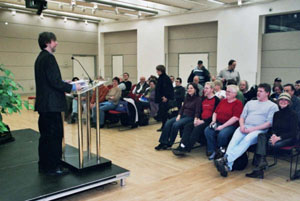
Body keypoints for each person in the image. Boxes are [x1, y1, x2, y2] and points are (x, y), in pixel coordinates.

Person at [34, 32, 80, 175]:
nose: (57, 43)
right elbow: (53, 82)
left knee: (45, 136)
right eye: (55, 41)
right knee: (54, 137)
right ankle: (53, 167)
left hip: (44, 105)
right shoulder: (49, 58)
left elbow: (50, 81)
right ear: (48, 42)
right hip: (51, 105)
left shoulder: (40, 58)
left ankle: (45, 164)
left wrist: (62, 83)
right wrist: (72, 87)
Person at [215, 83, 278, 177]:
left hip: (259, 130)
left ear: (267, 93)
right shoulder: (250, 103)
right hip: (245, 127)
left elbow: (269, 123)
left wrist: (252, 129)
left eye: (261, 91)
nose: (258, 93)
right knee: (234, 140)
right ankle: (228, 167)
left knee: (247, 140)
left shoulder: (272, 106)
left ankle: (226, 160)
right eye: (258, 91)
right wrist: (242, 126)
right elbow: (242, 117)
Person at [246, 92, 299, 179]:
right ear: (278, 101)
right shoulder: (276, 114)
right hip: (277, 137)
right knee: (261, 136)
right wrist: (274, 135)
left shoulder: (294, 114)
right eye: (281, 99)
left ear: (289, 102)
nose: (283, 101)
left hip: (288, 138)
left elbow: (293, 132)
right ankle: (262, 163)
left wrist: (278, 138)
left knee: (271, 144)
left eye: (286, 100)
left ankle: (260, 167)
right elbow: (274, 128)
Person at [172, 82, 220, 155]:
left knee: (197, 129)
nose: (205, 90)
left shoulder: (216, 100)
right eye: (204, 88)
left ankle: (186, 148)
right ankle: (181, 146)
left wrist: (202, 121)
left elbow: (215, 114)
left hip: (209, 121)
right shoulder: (203, 99)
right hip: (201, 120)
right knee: (188, 126)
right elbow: (199, 111)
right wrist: (197, 119)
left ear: (212, 89)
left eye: (207, 88)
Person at [155, 83, 201, 150]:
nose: (189, 90)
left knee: (176, 125)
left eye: (191, 88)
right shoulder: (187, 98)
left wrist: (196, 118)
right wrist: (179, 115)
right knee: (168, 123)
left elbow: (197, 110)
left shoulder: (198, 99)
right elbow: (182, 108)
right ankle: (163, 142)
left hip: (190, 117)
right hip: (183, 115)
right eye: (188, 88)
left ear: (195, 89)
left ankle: (170, 143)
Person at [204, 85, 243, 160]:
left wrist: (222, 126)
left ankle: (220, 151)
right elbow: (215, 112)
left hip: (231, 125)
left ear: (235, 94)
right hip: (219, 122)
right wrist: (213, 121)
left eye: (229, 92)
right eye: (226, 91)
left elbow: (235, 118)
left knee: (222, 134)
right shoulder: (223, 101)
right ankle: (212, 151)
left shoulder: (238, 103)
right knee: (208, 130)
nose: (226, 93)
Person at [155, 65, 174, 131]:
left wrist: (166, 97)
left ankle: (165, 126)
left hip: (165, 99)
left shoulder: (166, 78)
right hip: (161, 98)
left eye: (157, 70)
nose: (157, 72)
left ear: (161, 71)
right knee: (163, 114)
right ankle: (164, 126)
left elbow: (168, 89)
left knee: (165, 113)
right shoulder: (160, 78)